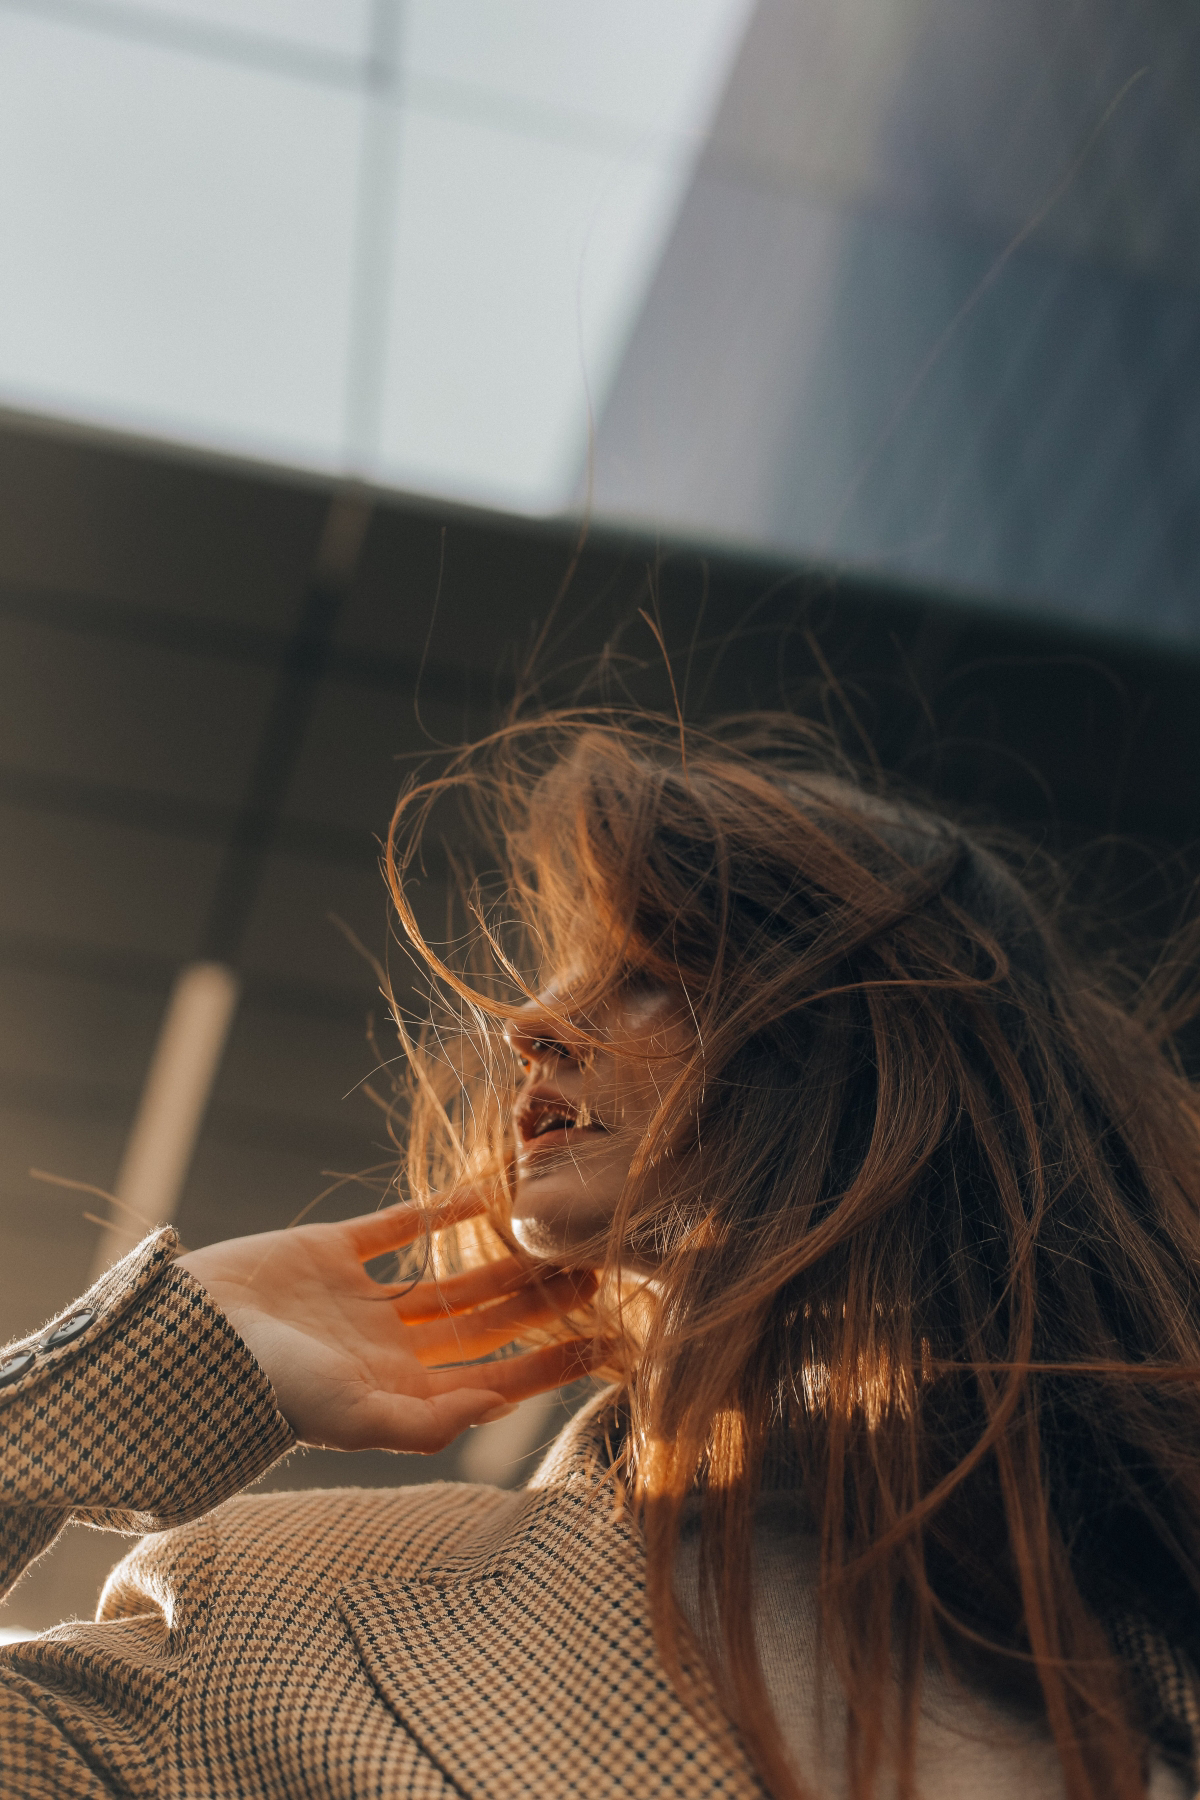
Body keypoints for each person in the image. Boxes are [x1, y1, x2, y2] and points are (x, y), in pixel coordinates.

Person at [2, 713, 1200, 1800]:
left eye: (651, 970)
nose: (527, 1022)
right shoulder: (281, 1612)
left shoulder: (1150, 1652)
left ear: (876, 1056)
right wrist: (118, 1388)